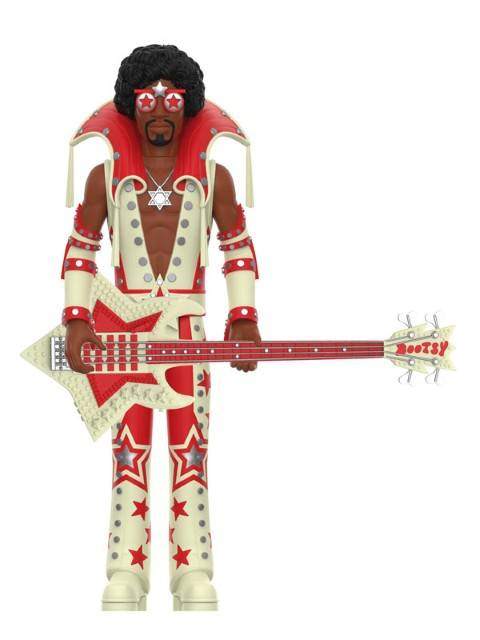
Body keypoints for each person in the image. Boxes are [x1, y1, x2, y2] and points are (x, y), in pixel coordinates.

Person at [62, 44, 260, 611]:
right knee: (129, 450)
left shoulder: (214, 177)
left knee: (190, 450)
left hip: (189, 337)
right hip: (124, 338)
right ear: (130, 106)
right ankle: (125, 569)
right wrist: (77, 319)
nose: (158, 111)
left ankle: (192, 568)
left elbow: (238, 247)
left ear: (188, 106)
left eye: (171, 99)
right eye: (147, 99)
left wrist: (243, 318)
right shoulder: (104, 177)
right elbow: (80, 249)